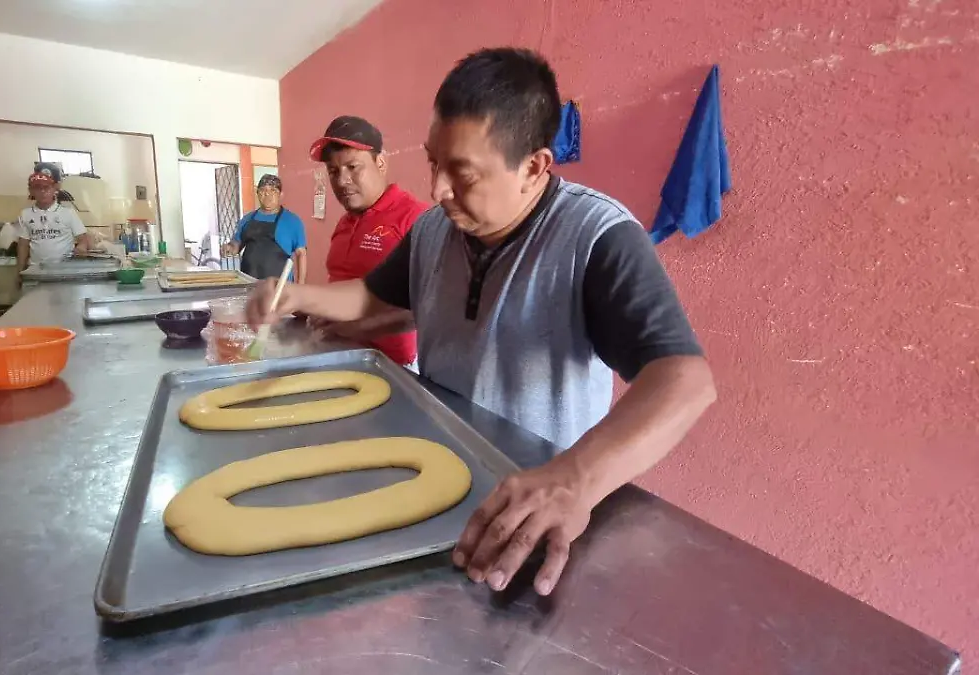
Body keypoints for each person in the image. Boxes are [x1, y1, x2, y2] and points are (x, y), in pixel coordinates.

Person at [246, 48, 716, 596]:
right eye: (433, 163)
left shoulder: (595, 238)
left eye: (462, 173)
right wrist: (294, 294)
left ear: (535, 167)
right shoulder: (433, 232)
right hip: (432, 482)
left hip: (531, 516)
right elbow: (374, 301)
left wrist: (574, 479)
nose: (438, 189)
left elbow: (684, 381)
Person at [307, 116, 427, 368]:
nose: (341, 181)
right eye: (333, 171)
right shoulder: (344, 222)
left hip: (394, 367)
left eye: (352, 167)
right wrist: (309, 305)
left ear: (380, 162)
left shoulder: (415, 218)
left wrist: (355, 328)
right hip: (339, 352)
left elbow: (423, 308)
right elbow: (342, 283)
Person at [223, 174, 307, 283]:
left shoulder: (292, 221)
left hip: (279, 290)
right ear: (257, 193)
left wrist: (300, 285)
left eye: (273, 191)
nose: (267, 195)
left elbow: (301, 254)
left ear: (281, 195)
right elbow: (236, 244)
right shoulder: (247, 219)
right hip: (248, 285)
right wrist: (229, 248)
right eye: (263, 190)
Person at [15, 168, 89, 271]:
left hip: (65, 269)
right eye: (37, 188)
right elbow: (23, 245)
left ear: (54, 189)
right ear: (31, 191)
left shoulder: (68, 213)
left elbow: (83, 238)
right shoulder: (25, 214)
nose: (43, 191)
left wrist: (81, 247)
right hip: (36, 270)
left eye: (46, 187)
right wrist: (19, 272)